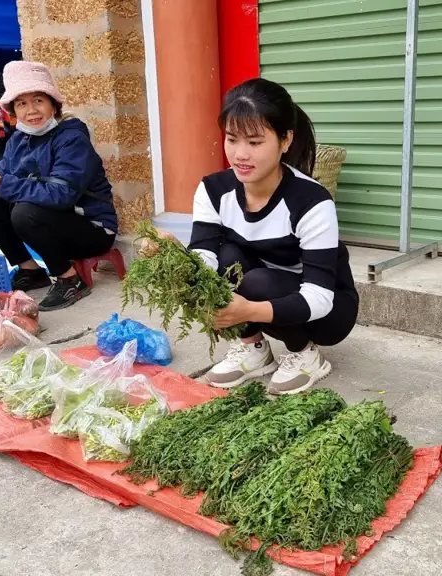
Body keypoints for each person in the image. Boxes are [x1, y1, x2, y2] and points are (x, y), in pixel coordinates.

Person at [148, 78, 359, 395]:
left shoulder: (311, 201)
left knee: (256, 282)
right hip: (266, 289)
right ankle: (253, 348)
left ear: (285, 140)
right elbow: (205, 257)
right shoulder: (213, 190)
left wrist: (247, 310)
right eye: (232, 139)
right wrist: (177, 257)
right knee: (223, 260)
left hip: (328, 309)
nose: (240, 154)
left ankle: (305, 355)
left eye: (255, 142)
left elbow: (319, 296)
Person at [0, 61, 118, 311]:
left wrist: (2, 183)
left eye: (38, 100)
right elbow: (4, 177)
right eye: (22, 104)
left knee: (25, 212)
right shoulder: (19, 138)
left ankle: (70, 279)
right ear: (14, 110)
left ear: (53, 105)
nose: (31, 111)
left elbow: (61, 195)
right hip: (55, 222)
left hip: (92, 229)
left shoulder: (71, 138)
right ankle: (31, 271)